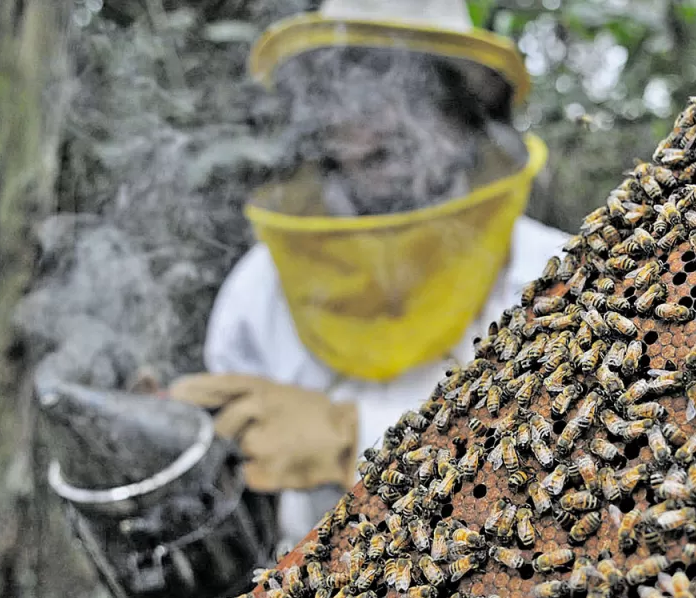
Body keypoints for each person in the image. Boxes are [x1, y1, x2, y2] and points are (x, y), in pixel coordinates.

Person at [170, 0, 570, 547]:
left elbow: (574, 459)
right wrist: (182, 443)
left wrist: (351, 438)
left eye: (391, 81)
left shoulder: (555, 277)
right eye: (344, 80)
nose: (360, 123)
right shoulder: (259, 288)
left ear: (461, 113)